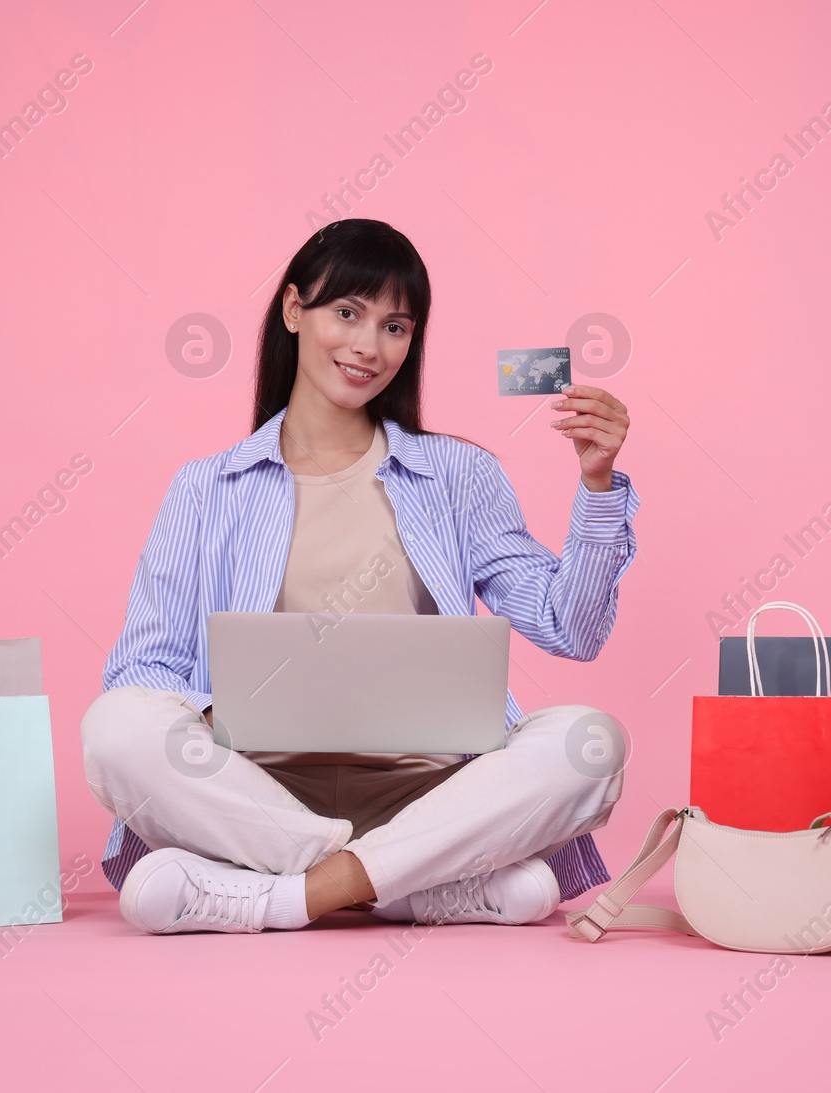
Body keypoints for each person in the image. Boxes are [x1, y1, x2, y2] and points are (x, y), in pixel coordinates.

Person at [80, 218, 640, 935]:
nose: (368, 347)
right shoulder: (206, 488)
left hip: (434, 792)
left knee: (590, 743)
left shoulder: (459, 475)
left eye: (395, 326)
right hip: (257, 794)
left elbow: (572, 628)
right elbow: (141, 668)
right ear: (292, 311)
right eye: (346, 313)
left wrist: (597, 487)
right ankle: (411, 885)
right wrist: (219, 711)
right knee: (115, 726)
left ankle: (287, 896)